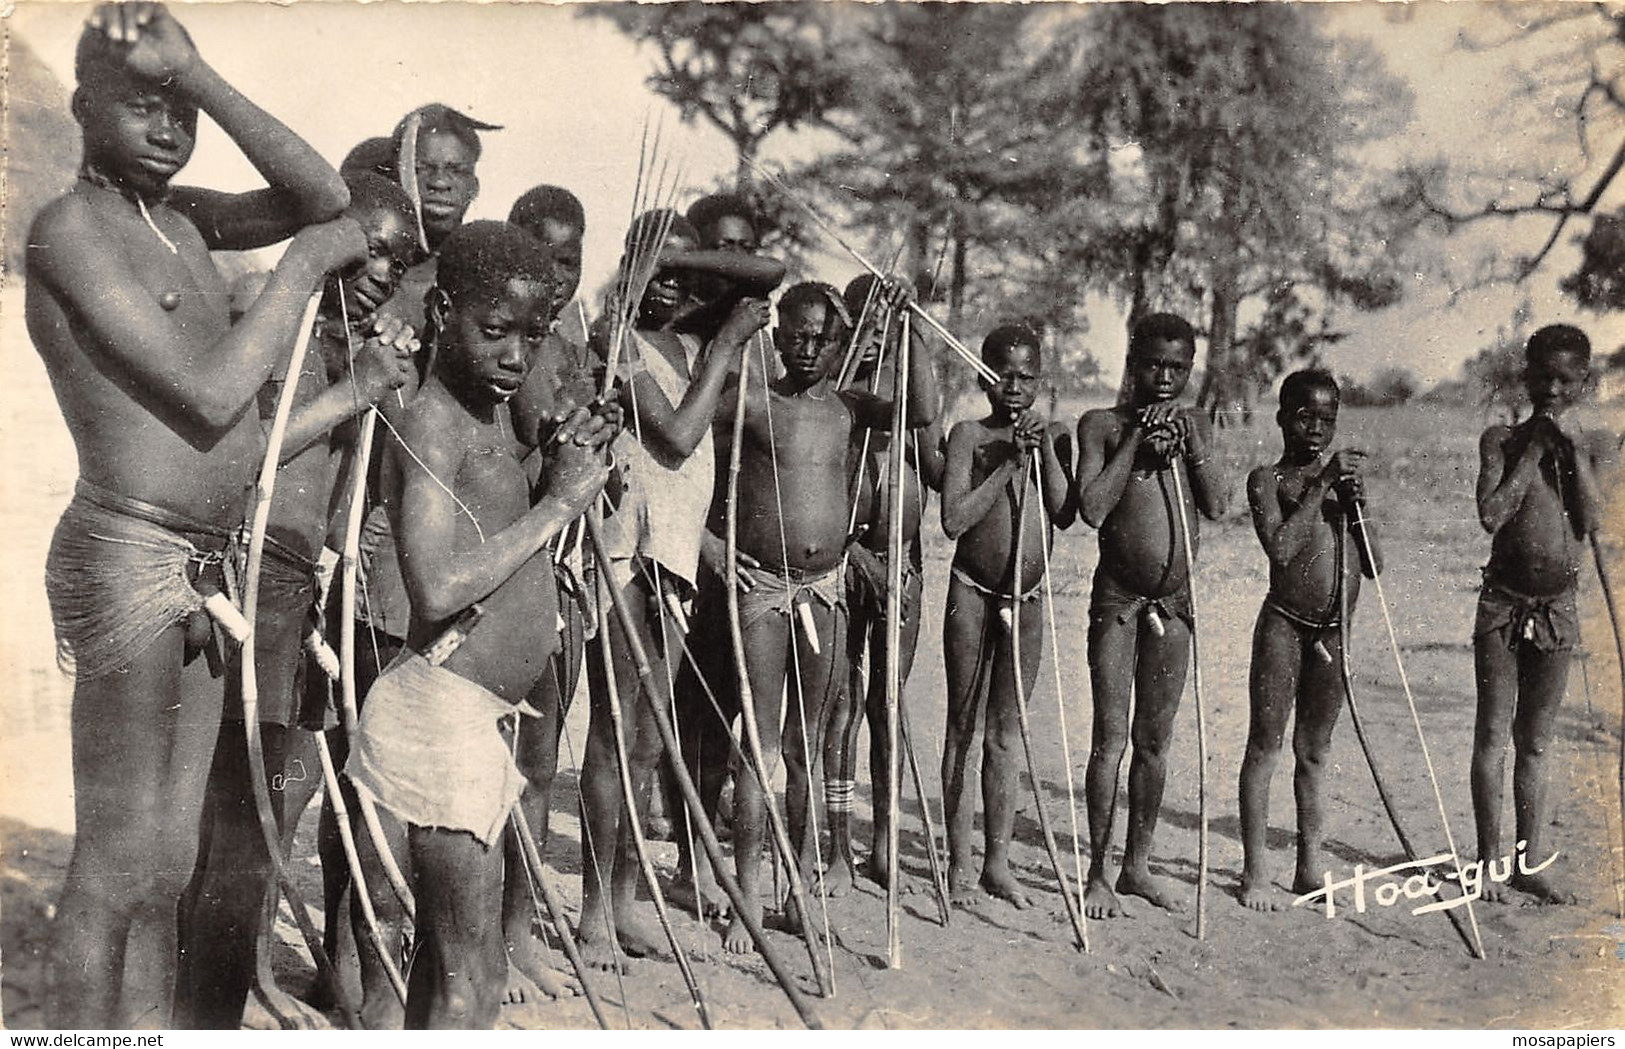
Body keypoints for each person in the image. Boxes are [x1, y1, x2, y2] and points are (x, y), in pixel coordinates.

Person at [28, 3, 355, 1027]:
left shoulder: (181, 222)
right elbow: (214, 395)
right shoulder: (73, 230)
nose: (170, 129)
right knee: (116, 861)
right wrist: (304, 266)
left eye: (185, 112)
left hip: (207, 562)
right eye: (142, 106)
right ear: (83, 109)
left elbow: (324, 192)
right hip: (129, 552)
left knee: (168, 865)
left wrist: (198, 72)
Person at [346, 221, 619, 1028]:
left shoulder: (488, 416)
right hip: (439, 717)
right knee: (472, 979)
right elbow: (434, 586)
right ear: (441, 312)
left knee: (445, 971)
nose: (514, 357)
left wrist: (564, 464)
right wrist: (560, 506)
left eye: (531, 337)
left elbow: (493, 522)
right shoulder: (433, 422)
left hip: (463, 717)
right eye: (493, 331)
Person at [179, 172, 422, 1028]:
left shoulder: (344, 334)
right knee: (231, 817)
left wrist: (376, 386)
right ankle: (200, 1007)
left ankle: (228, 983)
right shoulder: (263, 307)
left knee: (270, 805)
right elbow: (233, 457)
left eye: (398, 255)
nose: (382, 268)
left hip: (296, 589)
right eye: (369, 244)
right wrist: (355, 389)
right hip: (245, 574)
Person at [577, 210, 776, 968]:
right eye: (646, 272)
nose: (661, 289)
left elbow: (771, 274)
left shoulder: (687, 337)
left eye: (675, 276)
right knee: (614, 732)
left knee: (651, 733)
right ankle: (597, 912)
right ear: (625, 268)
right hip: (626, 552)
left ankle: (624, 903)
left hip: (675, 559)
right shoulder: (613, 343)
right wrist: (726, 343)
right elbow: (676, 436)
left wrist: (690, 260)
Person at [1074, 312, 1225, 920]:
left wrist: (1188, 451)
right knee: (1110, 739)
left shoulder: (1195, 423)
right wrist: (1137, 443)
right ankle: (1098, 873)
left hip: (1175, 607)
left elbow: (1217, 505)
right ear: (1132, 366)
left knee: (1154, 741)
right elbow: (1091, 508)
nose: (1165, 377)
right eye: (1154, 365)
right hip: (1119, 603)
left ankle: (1138, 866)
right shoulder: (1101, 424)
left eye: (1178, 368)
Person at [1472, 324, 1614, 904]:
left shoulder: (1600, 444)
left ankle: (1528, 863)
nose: (1552, 388)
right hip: (1502, 606)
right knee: (1491, 736)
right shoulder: (1499, 440)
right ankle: (1487, 863)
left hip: (1557, 610)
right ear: (1525, 377)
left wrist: (1572, 453)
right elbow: (1491, 515)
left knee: (1535, 743)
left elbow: (1591, 522)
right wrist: (1532, 449)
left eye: (1564, 379)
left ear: (1583, 383)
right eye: (1542, 376)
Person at [938, 324, 1072, 909]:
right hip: (972, 591)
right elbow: (953, 520)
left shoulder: (1053, 436)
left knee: (1005, 735)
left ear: (1040, 381)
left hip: (1029, 598)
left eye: (1025, 376)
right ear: (982, 376)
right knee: (961, 727)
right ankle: (959, 862)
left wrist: (1039, 455)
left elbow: (1067, 513)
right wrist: (1006, 466)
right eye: (1002, 374)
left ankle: (997, 862)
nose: (1013, 387)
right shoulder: (968, 435)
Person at [1238, 370, 1381, 911]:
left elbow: (1374, 565)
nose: (1316, 430)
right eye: (1305, 417)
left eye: (1327, 420)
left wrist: (1357, 509)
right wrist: (1321, 487)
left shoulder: (1344, 492)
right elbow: (1280, 549)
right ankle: (1255, 872)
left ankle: (1309, 868)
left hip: (1334, 633)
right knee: (1266, 745)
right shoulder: (1268, 479)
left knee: (1315, 751)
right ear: (1282, 419)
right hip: (1283, 626)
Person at [501, 183, 594, 1001]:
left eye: (571, 259)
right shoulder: (507, 330)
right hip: (501, 559)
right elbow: (539, 426)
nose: (558, 274)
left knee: (537, 759)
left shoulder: (574, 330)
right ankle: (474, 942)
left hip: (555, 567)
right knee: (491, 764)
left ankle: (516, 931)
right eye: (544, 255)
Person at [825, 273, 945, 895]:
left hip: (902, 570)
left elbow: (940, 470)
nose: (874, 333)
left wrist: (913, 331)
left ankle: (881, 844)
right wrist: (851, 554)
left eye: (884, 324)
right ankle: (839, 847)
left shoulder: (905, 397)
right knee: (839, 703)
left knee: (886, 705)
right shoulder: (835, 395)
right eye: (864, 321)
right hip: (844, 569)